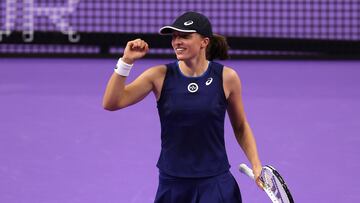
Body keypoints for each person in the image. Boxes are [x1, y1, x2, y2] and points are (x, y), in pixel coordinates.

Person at [103, 11, 263, 203]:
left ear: (204, 42)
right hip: (173, 183)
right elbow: (112, 102)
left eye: (185, 36)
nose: (177, 41)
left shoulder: (227, 77)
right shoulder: (158, 75)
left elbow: (240, 126)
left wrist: (256, 164)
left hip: (215, 182)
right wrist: (126, 61)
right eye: (174, 36)